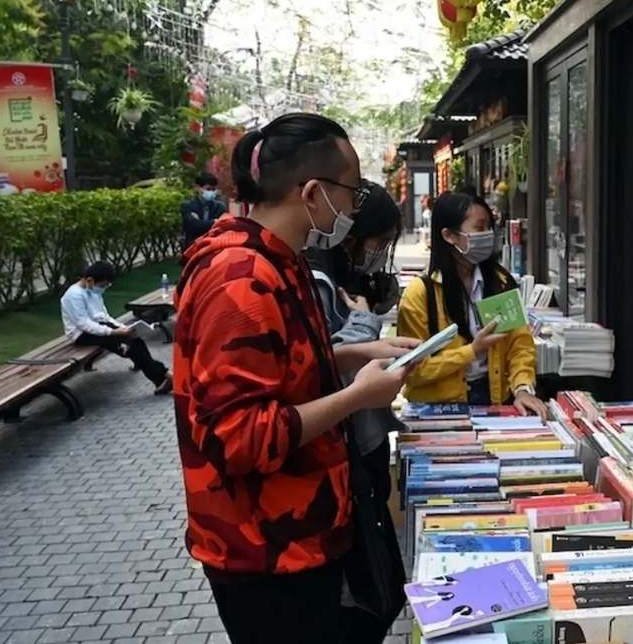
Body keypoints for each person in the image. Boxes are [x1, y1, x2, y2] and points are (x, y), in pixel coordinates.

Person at [172, 113, 419, 644]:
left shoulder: (281, 262)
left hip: (302, 534)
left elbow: (285, 369)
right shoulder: (240, 280)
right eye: (352, 192)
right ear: (312, 193)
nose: (354, 209)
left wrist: (355, 354)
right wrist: (356, 398)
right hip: (265, 551)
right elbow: (240, 437)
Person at [304, 182, 404, 644]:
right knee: (369, 593)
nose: (379, 252)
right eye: (377, 240)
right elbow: (327, 366)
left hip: (361, 444)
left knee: (381, 586)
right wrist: (365, 323)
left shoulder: (338, 274)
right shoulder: (314, 278)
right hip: (345, 452)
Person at [397, 191, 547, 415]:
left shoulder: (499, 282)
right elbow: (415, 370)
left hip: (493, 398)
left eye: (489, 227)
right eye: (479, 228)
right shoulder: (421, 294)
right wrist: (472, 351)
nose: (487, 234)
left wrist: (522, 388)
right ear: (449, 235)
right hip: (436, 408)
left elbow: (520, 345)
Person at [60, 261, 172, 395]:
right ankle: (166, 375)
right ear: (89, 280)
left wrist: (122, 327)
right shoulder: (73, 296)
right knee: (131, 348)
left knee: (136, 341)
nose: (103, 289)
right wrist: (113, 332)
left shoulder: (93, 291)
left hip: (100, 328)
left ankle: (161, 379)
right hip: (82, 334)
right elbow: (84, 324)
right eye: (102, 285)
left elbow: (104, 316)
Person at [181, 172, 227, 249]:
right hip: (193, 248)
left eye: (213, 189)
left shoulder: (220, 207)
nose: (211, 192)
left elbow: (221, 227)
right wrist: (214, 222)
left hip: (214, 247)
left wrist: (200, 223)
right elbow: (193, 226)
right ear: (197, 188)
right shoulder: (188, 206)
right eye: (208, 189)